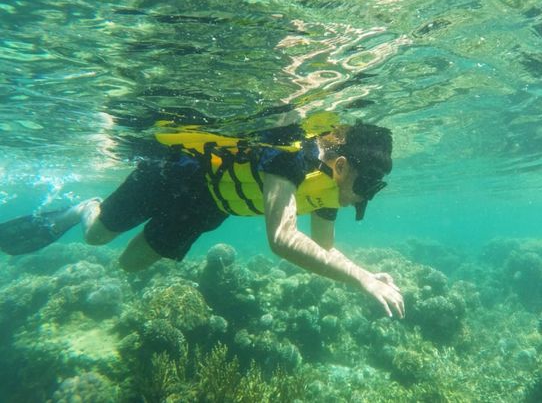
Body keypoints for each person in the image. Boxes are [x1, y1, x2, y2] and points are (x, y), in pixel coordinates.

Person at [0, 121, 404, 318]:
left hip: (209, 207)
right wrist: (362, 279)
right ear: (343, 166)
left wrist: (366, 273)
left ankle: (95, 217)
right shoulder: (293, 158)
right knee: (96, 237)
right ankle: (84, 208)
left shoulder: (332, 192)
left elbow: (326, 250)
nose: (367, 196)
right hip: (179, 172)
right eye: (369, 185)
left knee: (131, 264)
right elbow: (282, 238)